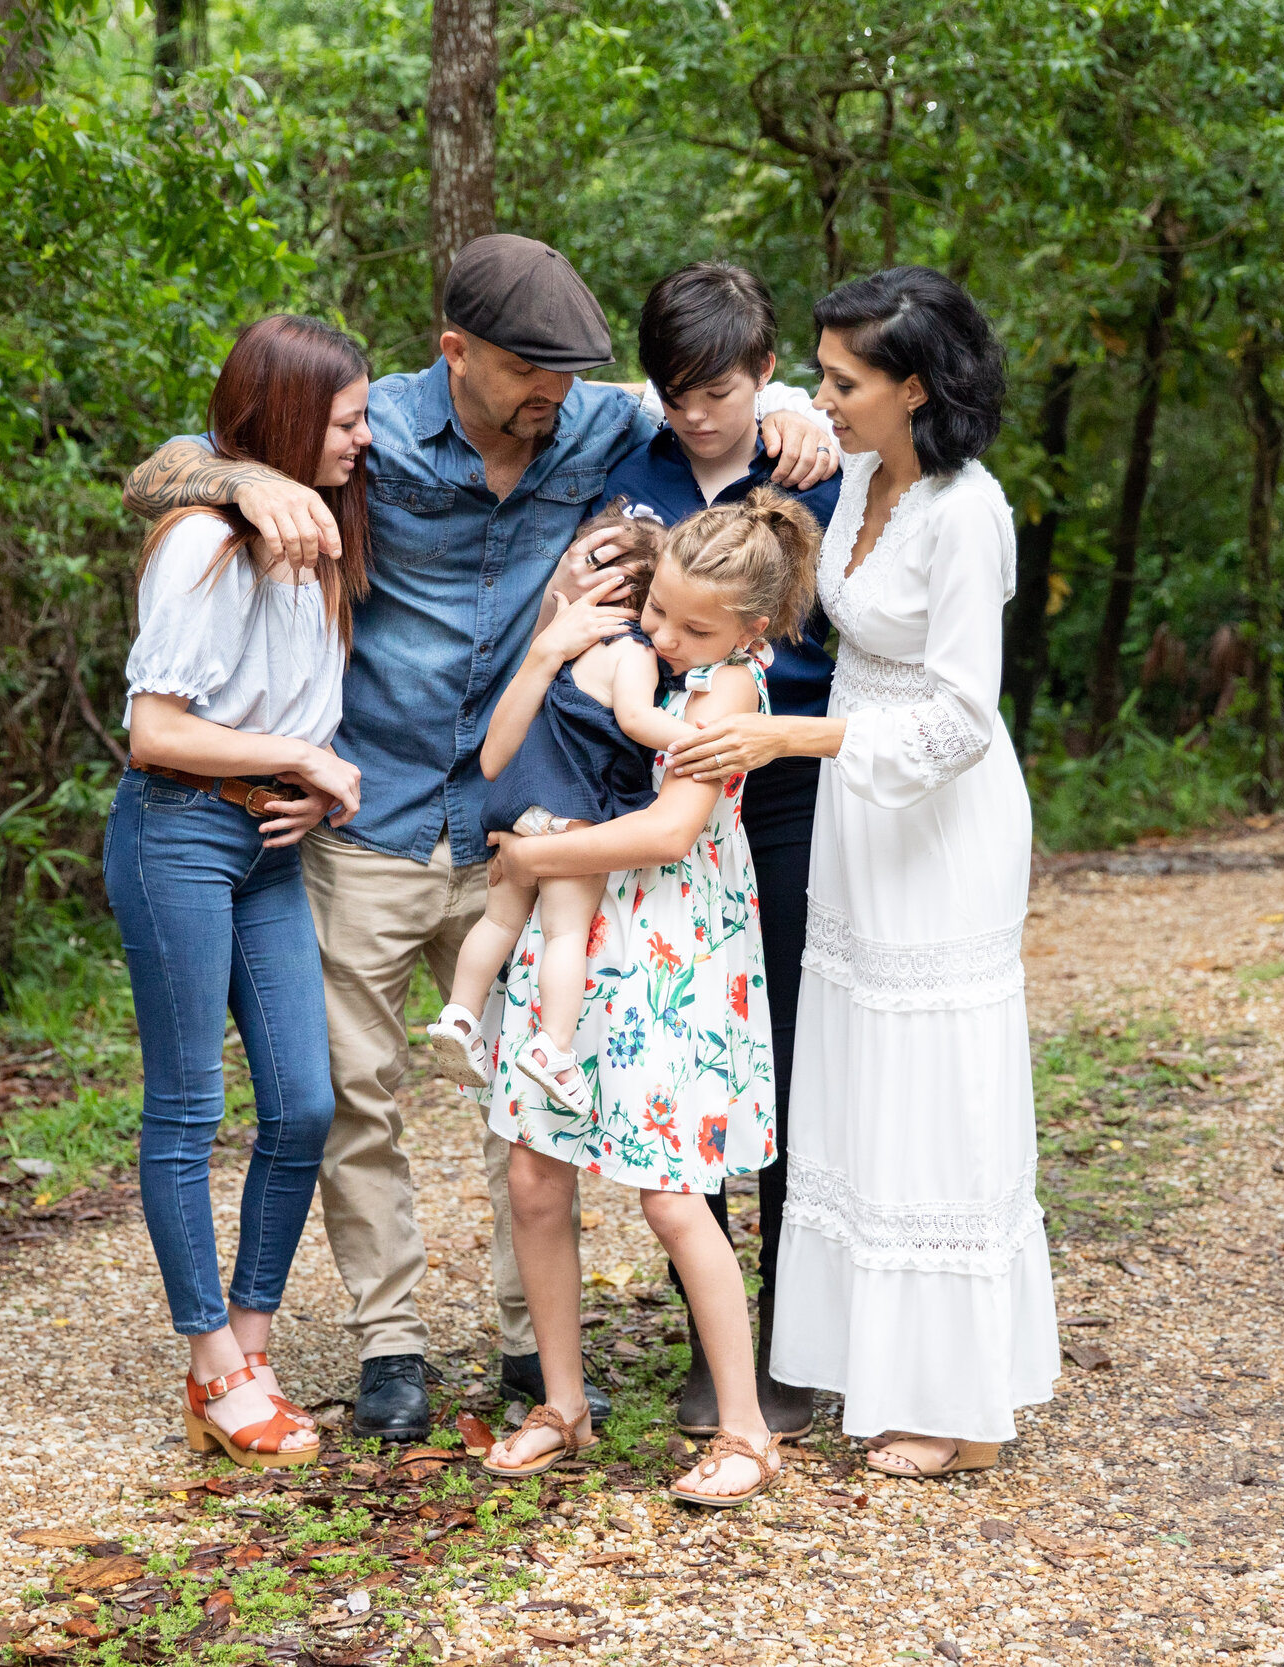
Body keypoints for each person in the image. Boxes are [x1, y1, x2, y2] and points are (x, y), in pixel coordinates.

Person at [120, 235, 840, 1443]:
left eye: (568, 373)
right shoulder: (374, 428)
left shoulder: (594, 423)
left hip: (525, 810)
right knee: (358, 1093)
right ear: (454, 351)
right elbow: (172, 461)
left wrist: (780, 399)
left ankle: (526, 1343)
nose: (549, 396)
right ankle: (389, 1339)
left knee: (532, 1090)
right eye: (525, 372)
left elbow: (705, 392)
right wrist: (239, 480)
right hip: (370, 810)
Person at [665, 267, 1061, 1478]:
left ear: (914, 387)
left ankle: (964, 1398)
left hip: (937, 818)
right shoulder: (866, 479)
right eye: (820, 377)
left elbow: (957, 720)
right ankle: (875, 1361)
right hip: (855, 816)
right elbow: (711, 389)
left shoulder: (964, 507)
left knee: (932, 1084)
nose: (818, 398)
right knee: (858, 1080)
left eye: (841, 382)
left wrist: (791, 737)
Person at [476, 492, 822, 1504]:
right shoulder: (637, 654)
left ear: (752, 631)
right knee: (537, 1176)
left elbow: (672, 830)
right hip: (579, 937)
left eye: (692, 626)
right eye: (659, 611)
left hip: (670, 953)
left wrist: (539, 852)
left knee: (674, 1195)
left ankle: (746, 1426)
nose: (665, 635)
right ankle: (563, 1401)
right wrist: (550, 647)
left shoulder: (728, 695)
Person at [105, 315, 375, 1470]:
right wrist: (302, 759)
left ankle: (250, 1344)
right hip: (177, 836)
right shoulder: (201, 543)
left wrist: (306, 782)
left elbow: (290, 713)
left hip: (269, 841)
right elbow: (152, 730)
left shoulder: (319, 539)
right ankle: (212, 1363)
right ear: (286, 419)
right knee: (186, 1109)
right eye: (347, 419)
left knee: (304, 1104)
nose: (364, 439)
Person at [593, 261, 841, 1443]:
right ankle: (712, 1340)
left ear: (764, 372)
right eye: (675, 390)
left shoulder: (807, 462)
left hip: (781, 795)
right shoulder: (623, 464)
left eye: (720, 391)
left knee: (779, 1060)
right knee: (689, 1070)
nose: (696, 414)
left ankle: (789, 1345)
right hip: (659, 791)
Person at [423, 511, 685, 1106]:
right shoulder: (631, 652)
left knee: (498, 922)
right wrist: (694, 736)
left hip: (517, 811)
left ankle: (461, 1015)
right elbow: (637, 720)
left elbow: (501, 747)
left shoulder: (561, 645)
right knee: (567, 933)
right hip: (573, 816)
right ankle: (554, 1047)